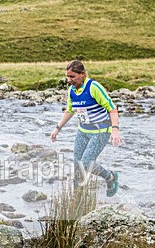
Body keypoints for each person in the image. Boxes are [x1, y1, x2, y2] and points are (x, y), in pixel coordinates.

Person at [50, 60, 122, 196]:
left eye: (72, 76)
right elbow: (70, 110)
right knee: (77, 165)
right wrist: (57, 128)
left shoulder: (93, 87)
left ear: (82, 74)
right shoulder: (72, 90)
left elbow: (112, 109)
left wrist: (115, 130)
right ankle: (77, 196)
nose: (69, 80)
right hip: (83, 132)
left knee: (86, 163)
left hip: (100, 132)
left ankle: (111, 177)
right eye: (67, 76)